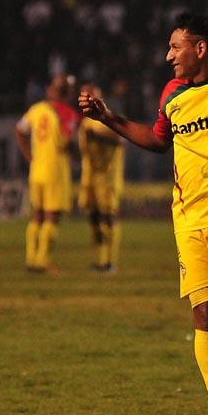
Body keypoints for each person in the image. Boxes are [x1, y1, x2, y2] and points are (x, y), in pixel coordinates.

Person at [78, 12, 208, 415]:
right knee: (205, 315)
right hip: (190, 222)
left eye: (175, 47)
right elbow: (159, 140)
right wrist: (108, 116)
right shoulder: (173, 95)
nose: (168, 57)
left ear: (200, 48)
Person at [15, 74, 80, 275]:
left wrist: (29, 155)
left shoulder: (37, 109)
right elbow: (66, 143)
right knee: (51, 218)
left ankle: (31, 259)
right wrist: (79, 155)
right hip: (55, 171)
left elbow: (19, 130)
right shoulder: (67, 114)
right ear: (67, 94)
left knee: (36, 217)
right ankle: (43, 260)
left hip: (36, 170)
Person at [77, 83, 124, 274]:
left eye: (89, 96)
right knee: (94, 219)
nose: (85, 100)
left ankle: (110, 262)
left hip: (108, 178)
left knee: (108, 219)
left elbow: (120, 140)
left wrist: (96, 136)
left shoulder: (107, 118)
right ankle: (99, 260)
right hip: (89, 177)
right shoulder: (84, 122)